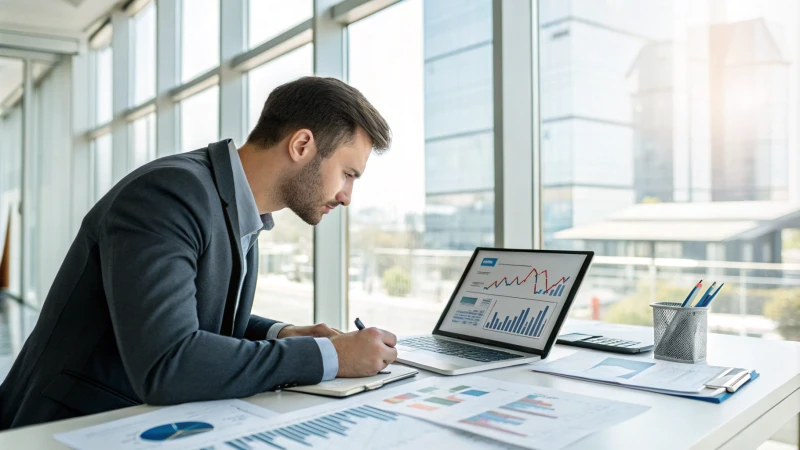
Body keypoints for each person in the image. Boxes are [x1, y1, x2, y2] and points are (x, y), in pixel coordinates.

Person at [0, 76, 396, 429]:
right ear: (302, 144)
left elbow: (190, 311)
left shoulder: (237, 208)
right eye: (348, 174)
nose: (346, 197)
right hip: (62, 429)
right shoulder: (169, 194)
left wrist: (282, 332)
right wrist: (327, 356)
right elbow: (167, 362)